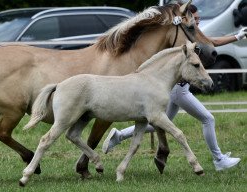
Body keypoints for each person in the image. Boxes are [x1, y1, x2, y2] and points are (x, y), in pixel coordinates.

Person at [102, 4, 246, 171]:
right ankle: (218, 159)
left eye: (198, 19)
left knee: (158, 122)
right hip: (178, 89)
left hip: (178, 89)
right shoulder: (181, 36)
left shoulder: (194, 34)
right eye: (195, 19)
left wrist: (237, 36)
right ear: (185, 19)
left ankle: (119, 135)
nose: (197, 22)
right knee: (208, 119)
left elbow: (212, 42)